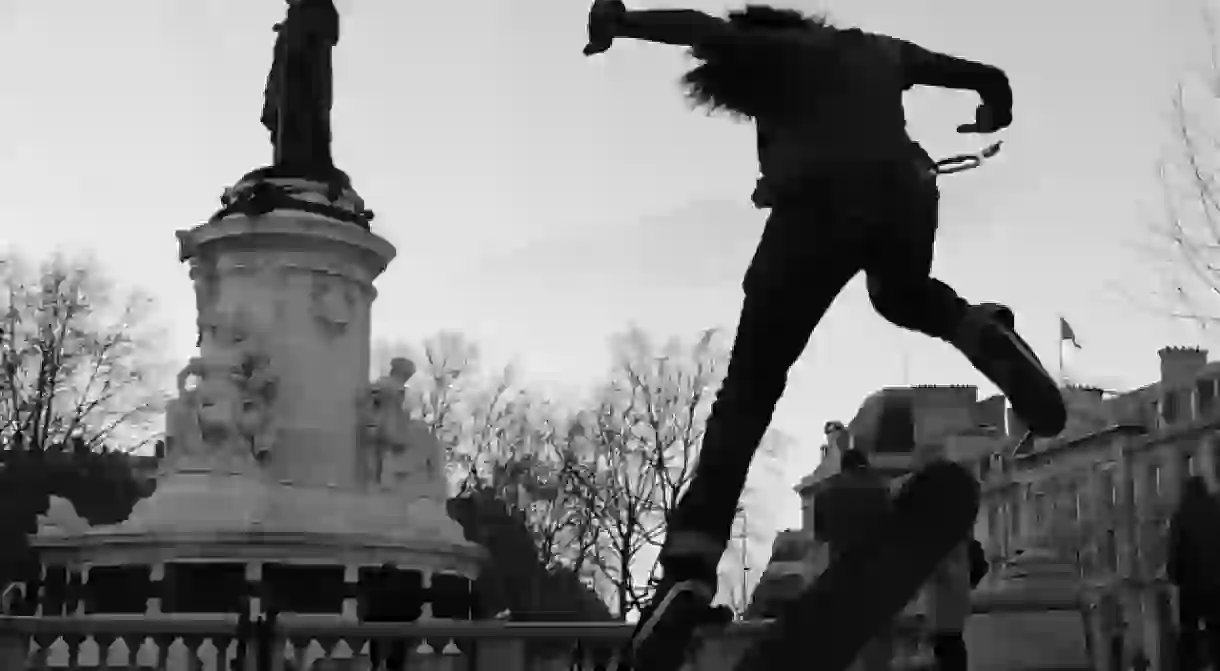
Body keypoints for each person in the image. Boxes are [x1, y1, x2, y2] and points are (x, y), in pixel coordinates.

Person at [581, 1, 1068, 661]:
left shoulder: (777, 53)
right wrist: (993, 108)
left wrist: (622, 19)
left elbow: (700, 29)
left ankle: (687, 570)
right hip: (907, 189)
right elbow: (988, 77)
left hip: (818, 210)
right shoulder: (875, 47)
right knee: (902, 295)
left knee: (748, 390)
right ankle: (982, 330)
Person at [813, 449, 894, 671]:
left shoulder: (826, 491)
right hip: (875, 574)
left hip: (842, 573)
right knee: (878, 642)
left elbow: (820, 536)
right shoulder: (880, 489)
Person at [1168, 476, 1220, 671]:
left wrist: (1175, 576)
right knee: (1216, 632)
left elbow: (1174, 553)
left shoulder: (1181, 515)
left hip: (1192, 589)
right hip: (1217, 587)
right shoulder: (1217, 510)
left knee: (1188, 633)